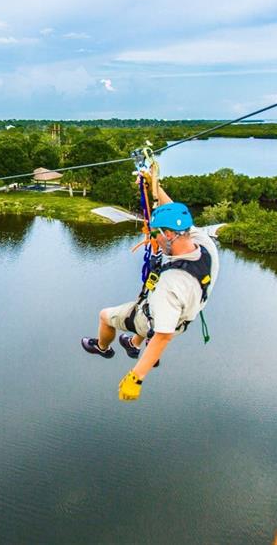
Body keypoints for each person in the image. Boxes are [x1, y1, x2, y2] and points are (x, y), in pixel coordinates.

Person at [80, 166, 220, 401]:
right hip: (185, 314)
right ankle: (134, 344)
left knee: (107, 316)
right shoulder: (205, 245)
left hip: (160, 320)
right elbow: (173, 210)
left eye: (155, 234)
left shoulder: (170, 285)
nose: (154, 239)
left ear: (169, 234)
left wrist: (136, 378)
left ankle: (102, 348)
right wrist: (153, 185)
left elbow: (163, 336)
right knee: (149, 316)